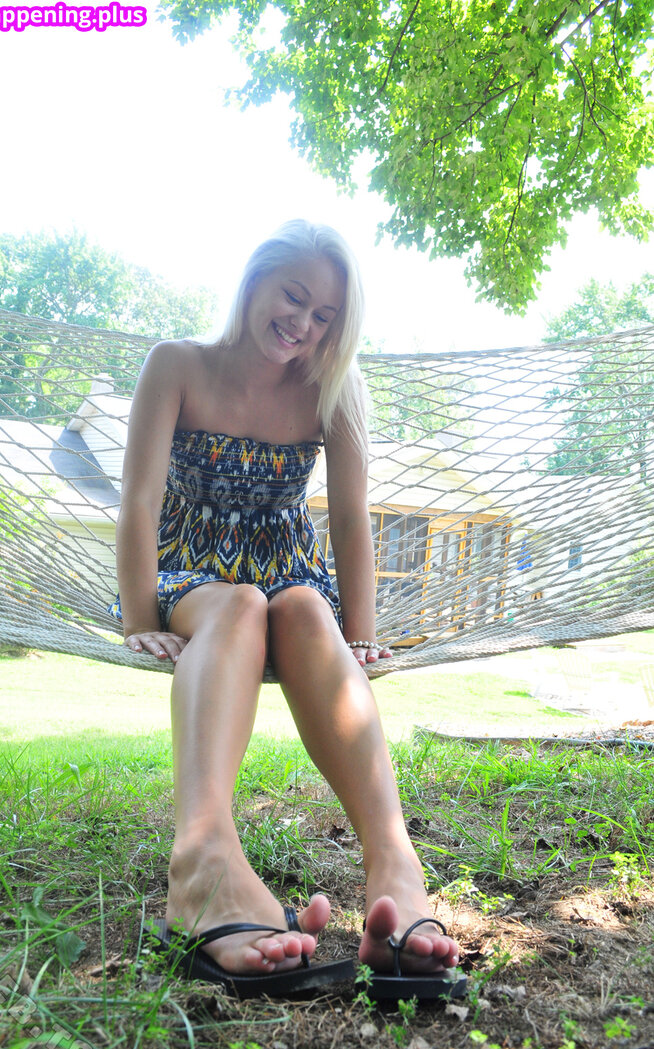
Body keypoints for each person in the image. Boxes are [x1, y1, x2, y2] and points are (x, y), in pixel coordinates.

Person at [110, 220, 462, 998]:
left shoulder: (332, 387)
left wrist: (360, 636)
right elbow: (138, 500)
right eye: (293, 296)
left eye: (323, 315)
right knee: (239, 605)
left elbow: (350, 520)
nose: (302, 323)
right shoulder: (177, 365)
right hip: (193, 570)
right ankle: (203, 856)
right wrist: (139, 620)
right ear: (255, 280)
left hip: (289, 568)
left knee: (302, 606)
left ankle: (395, 865)